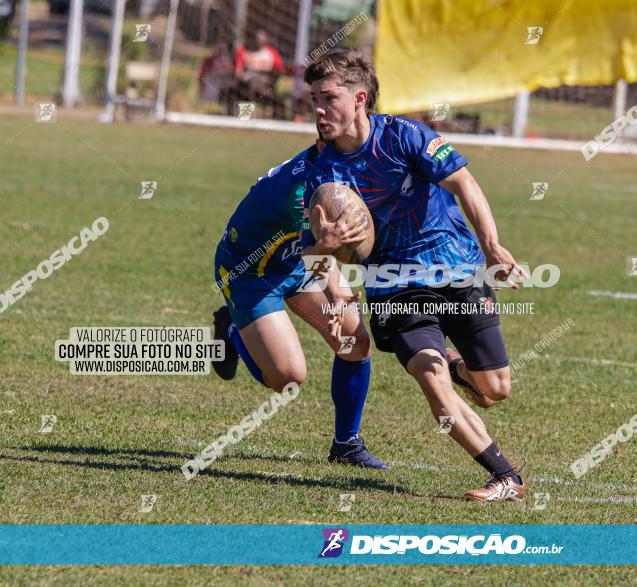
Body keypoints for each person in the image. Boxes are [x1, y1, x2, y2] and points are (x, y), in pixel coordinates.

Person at [301, 49, 526, 502]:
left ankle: (465, 369)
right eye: (314, 100)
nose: (319, 109)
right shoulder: (319, 171)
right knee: (430, 377)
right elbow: (315, 248)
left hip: (457, 267)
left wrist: (492, 245)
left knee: (494, 389)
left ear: (360, 97)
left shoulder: (405, 136)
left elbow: (463, 181)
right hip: (393, 286)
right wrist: (332, 278)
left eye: (328, 97)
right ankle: (506, 477)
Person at [210, 137, 386, 469]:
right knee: (288, 378)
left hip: (296, 262)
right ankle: (233, 329)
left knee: (355, 341)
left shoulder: (341, 172)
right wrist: (334, 292)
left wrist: (338, 296)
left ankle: (346, 444)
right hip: (251, 274)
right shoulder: (300, 191)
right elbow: (316, 252)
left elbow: (318, 252)